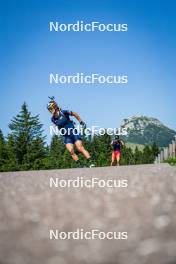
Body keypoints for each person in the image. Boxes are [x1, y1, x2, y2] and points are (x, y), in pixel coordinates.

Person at [47, 97, 94, 168]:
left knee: (80, 148)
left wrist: (80, 121)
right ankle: (80, 165)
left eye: (51, 108)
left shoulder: (63, 112)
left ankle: (91, 163)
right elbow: (58, 126)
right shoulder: (53, 119)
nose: (50, 110)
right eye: (49, 109)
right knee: (71, 151)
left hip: (73, 132)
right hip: (66, 136)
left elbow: (74, 113)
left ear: (55, 106)